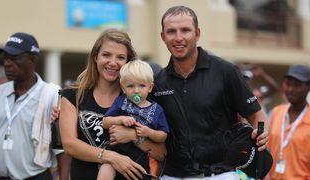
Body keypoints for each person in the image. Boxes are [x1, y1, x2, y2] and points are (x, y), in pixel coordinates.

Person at [152, 6, 269, 179]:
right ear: (163, 37)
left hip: (221, 174)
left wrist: (262, 133)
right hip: (173, 176)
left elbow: (256, 115)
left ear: (197, 34)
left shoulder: (226, 71)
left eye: (185, 30)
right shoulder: (158, 82)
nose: (178, 38)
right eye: (171, 31)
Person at [59, 28, 166, 180]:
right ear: (96, 57)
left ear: (128, 62)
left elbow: (161, 154)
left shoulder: (140, 97)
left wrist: (134, 136)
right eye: (106, 55)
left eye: (121, 57)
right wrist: (112, 158)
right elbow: (70, 145)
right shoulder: (72, 95)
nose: (113, 62)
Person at [0, 32, 68, 179]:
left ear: (32, 59)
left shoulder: (51, 94)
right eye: (6, 58)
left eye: (15, 58)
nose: (7, 63)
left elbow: (61, 147)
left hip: (35, 176)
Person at [97, 59, 169, 180]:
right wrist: (120, 119)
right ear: (123, 88)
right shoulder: (120, 102)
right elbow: (105, 122)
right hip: (117, 150)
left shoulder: (157, 110)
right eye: (130, 86)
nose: (136, 90)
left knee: (140, 174)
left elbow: (163, 135)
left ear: (150, 87)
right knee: (106, 168)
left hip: (141, 155)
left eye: (142, 86)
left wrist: (149, 132)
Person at [267, 64, 310, 180]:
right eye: (288, 84)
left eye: (296, 85)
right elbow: (267, 149)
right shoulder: (276, 112)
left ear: (308, 87)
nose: (290, 89)